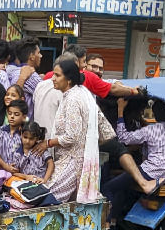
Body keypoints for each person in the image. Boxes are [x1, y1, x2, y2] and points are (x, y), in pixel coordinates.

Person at [37, 58, 111, 204]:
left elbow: (71, 137)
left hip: (72, 161)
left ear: (69, 80)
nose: (53, 78)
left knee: (45, 198)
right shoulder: (80, 93)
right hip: (74, 159)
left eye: (57, 75)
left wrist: (48, 143)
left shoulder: (73, 99)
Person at [0, 100, 29, 173]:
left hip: (20, 173)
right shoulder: (0, 131)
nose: (12, 116)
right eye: (9, 113)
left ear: (24, 117)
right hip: (1, 171)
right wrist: (5, 166)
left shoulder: (25, 134)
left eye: (16, 114)